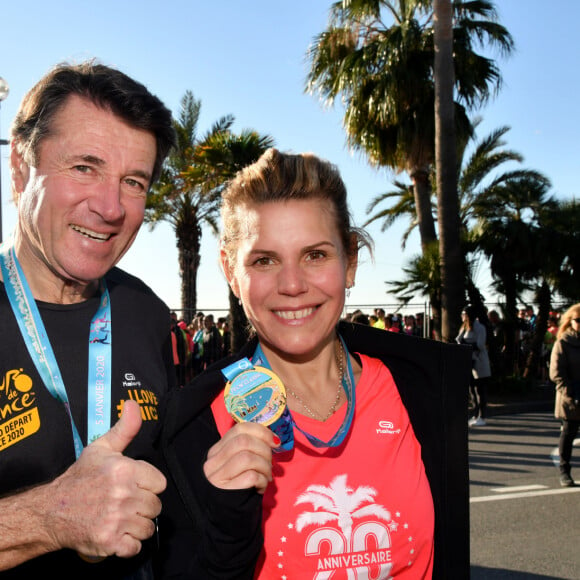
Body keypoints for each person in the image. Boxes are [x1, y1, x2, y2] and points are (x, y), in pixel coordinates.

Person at [156, 148, 472, 578]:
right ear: (231, 272)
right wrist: (228, 525)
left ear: (351, 262)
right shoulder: (193, 427)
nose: (292, 285)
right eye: (264, 260)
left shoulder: (421, 389)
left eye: (316, 255)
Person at [0, 61, 177, 578]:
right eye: (84, 167)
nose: (111, 206)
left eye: (134, 182)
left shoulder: (148, 313)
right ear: (19, 167)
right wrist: (50, 518)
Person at [549, 303, 580, 487]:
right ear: (570, 321)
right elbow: (556, 373)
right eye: (578, 320)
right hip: (570, 397)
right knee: (568, 434)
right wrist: (569, 393)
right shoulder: (563, 342)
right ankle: (564, 470)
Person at [456, 305, 492, 427]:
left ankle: (482, 415)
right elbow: (458, 340)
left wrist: (467, 344)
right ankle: (476, 414)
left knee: (480, 390)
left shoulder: (479, 328)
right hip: (469, 362)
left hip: (479, 362)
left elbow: (480, 345)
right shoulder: (464, 328)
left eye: (464, 314)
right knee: (472, 390)